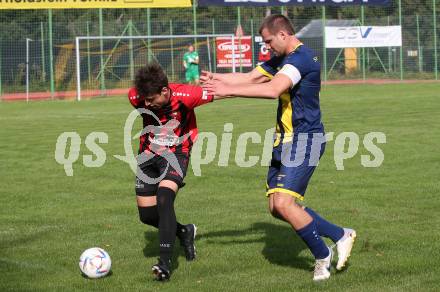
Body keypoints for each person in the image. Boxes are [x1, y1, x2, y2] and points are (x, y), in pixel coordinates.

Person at [201, 14, 356, 281]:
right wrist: (218, 81)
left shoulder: (301, 59)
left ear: (283, 34)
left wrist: (226, 89)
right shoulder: (283, 59)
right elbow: (251, 78)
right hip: (283, 141)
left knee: (285, 203)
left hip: (304, 139)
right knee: (276, 207)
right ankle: (341, 234)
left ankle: (322, 255)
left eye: (269, 41)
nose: (267, 46)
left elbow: (273, 90)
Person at [128, 63, 217, 281]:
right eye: (144, 99)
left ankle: (165, 263)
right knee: (147, 216)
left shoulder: (187, 95)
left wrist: (264, 81)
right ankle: (184, 232)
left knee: (164, 199)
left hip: (177, 153)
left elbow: (225, 92)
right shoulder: (135, 97)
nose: (146, 103)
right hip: (148, 156)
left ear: (165, 91)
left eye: (151, 99)